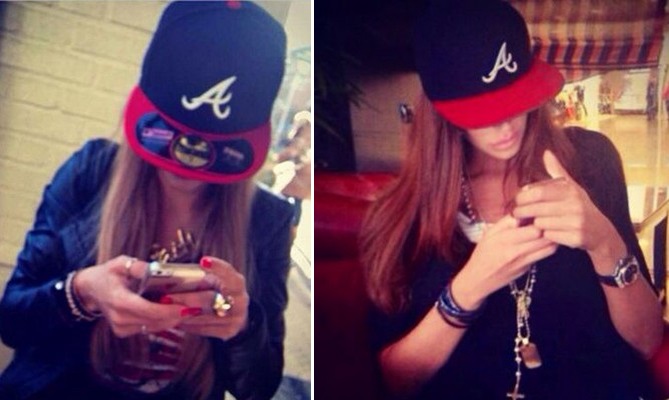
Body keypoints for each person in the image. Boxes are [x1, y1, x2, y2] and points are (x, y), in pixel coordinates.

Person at [360, 2, 664, 399]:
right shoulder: (400, 216)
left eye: (515, 98)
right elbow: (397, 380)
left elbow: (647, 341)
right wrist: (467, 290)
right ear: (441, 115)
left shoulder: (591, 161)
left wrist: (603, 241)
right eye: (483, 111)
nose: (505, 124)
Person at [0, 2, 293, 400]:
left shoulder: (268, 219)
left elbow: (260, 388)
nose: (187, 163)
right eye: (169, 135)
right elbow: (12, 320)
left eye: (214, 149)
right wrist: (81, 292)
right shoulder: (91, 170)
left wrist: (242, 328)